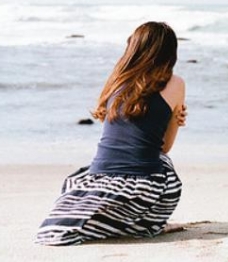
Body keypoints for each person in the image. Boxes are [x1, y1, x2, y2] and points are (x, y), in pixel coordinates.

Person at [35, 21, 186, 246]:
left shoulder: (116, 82)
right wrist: (175, 120)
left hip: (96, 179)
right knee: (165, 163)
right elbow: (163, 147)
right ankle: (146, 223)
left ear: (132, 48)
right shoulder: (176, 83)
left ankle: (118, 220)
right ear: (170, 52)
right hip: (143, 188)